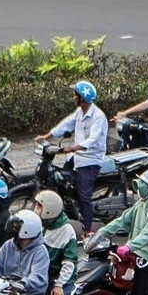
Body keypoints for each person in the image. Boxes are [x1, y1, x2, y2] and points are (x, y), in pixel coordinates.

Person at [37, 81, 110, 232]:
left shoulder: (98, 117)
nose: (73, 97)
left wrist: (71, 148)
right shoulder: (80, 112)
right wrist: (47, 136)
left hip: (90, 160)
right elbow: (65, 125)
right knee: (61, 182)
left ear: (82, 98)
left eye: (75, 95)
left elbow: (92, 140)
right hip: (76, 158)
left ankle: (88, 231)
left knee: (84, 196)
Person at [39, 191, 81, 295]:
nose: (36, 209)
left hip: (60, 278)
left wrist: (59, 285)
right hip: (41, 274)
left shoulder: (66, 231)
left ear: (49, 210)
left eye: (39, 206)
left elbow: (69, 262)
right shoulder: (41, 225)